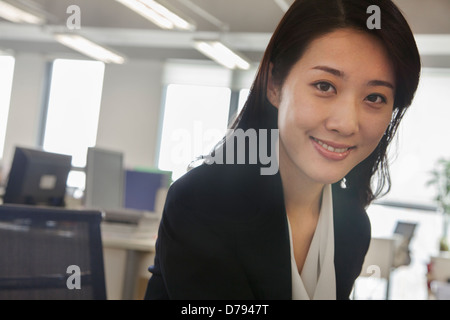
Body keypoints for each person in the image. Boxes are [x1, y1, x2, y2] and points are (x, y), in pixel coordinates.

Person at [144, 0, 421, 300]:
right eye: (325, 86)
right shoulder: (203, 202)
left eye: (375, 97)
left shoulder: (352, 226)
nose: (346, 123)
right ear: (275, 85)